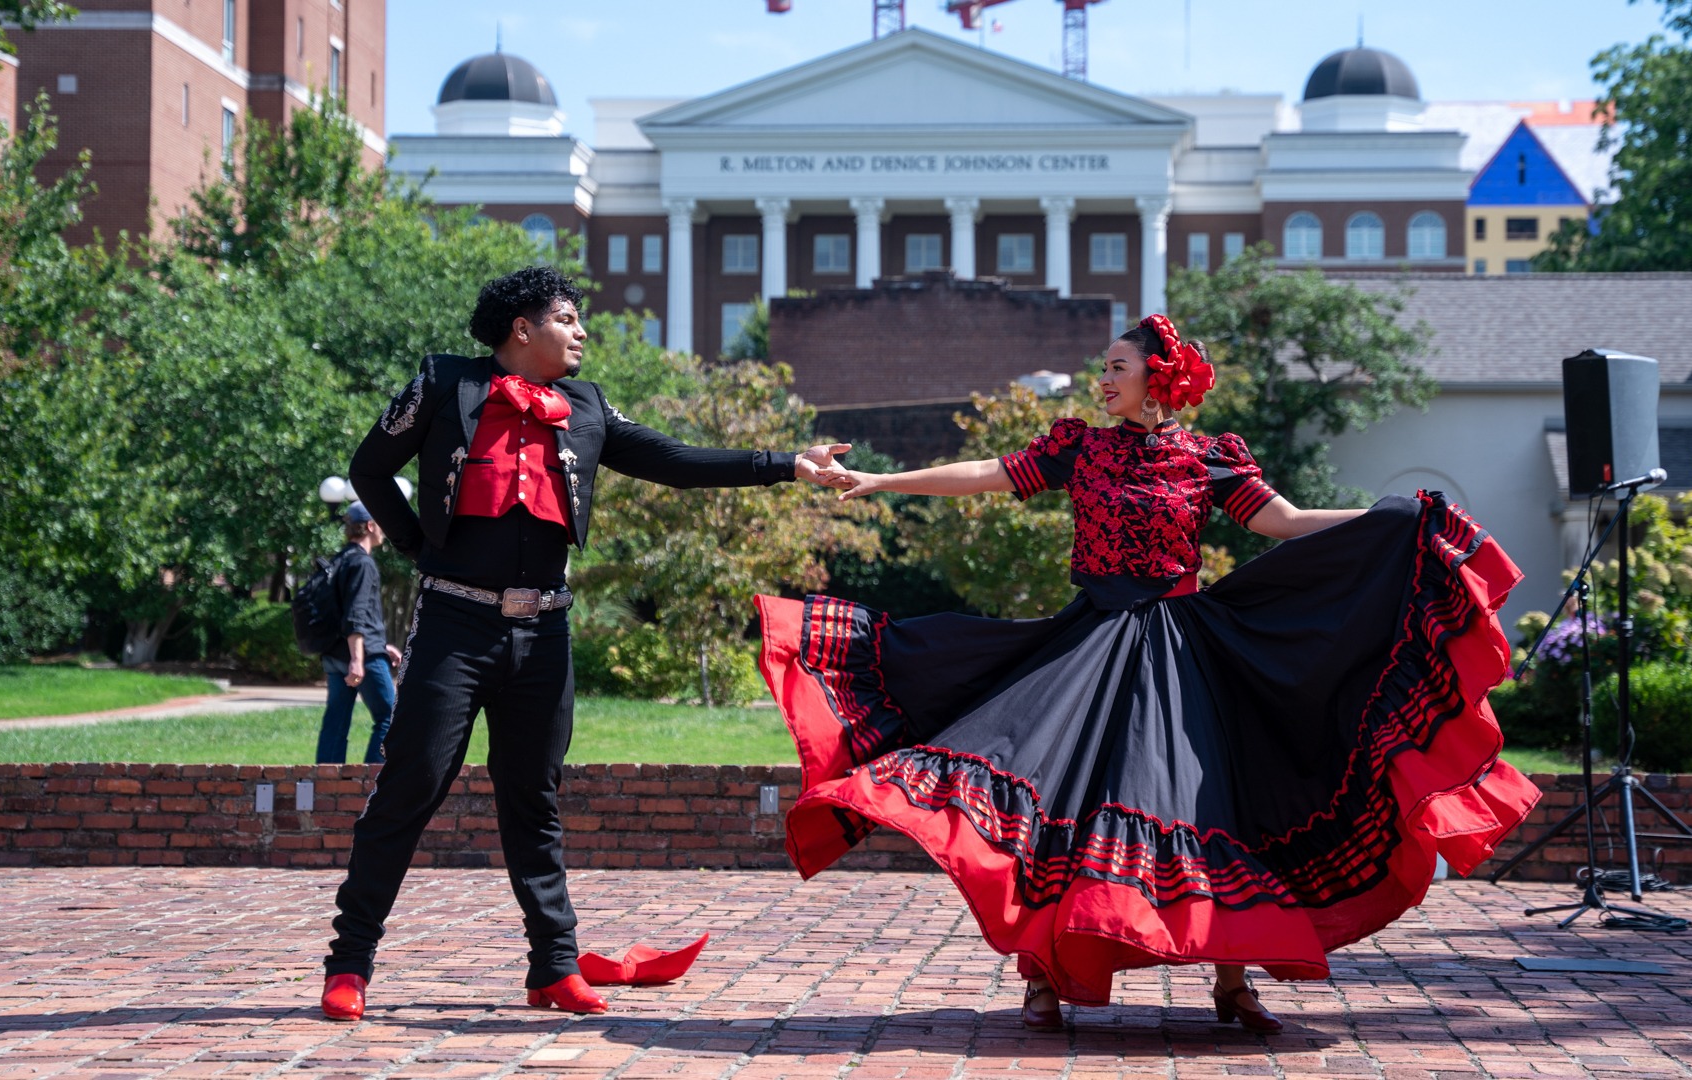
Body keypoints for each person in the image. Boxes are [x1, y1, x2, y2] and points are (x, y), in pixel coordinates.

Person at [759, 315, 1541, 1033]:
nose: (1102, 381)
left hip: (1181, 648)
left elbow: (1287, 523)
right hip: (1089, 643)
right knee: (1058, 795)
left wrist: (1396, 521)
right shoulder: (1080, 447)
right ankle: (1041, 977)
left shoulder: (1207, 456)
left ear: (1157, 377)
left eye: (1116, 367)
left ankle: (1232, 982)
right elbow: (989, 473)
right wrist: (884, 482)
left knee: (1215, 805)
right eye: (1102, 368)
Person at [320, 266, 849, 1022]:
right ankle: (350, 964)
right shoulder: (445, 383)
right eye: (567, 318)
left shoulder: (589, 406)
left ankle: (553, 968)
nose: (582, 332)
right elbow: (369, 468)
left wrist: (785, 465)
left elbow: (673, 460)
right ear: (522, 329)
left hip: (546, 632)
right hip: (455, 625)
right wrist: (415, 547)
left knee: (534, 798)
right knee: (409, 786)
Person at [316, 501, 400, 766]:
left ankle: (326, 784)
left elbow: (351, 613)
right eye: (381, 524)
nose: (384, 531)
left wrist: (381, 644)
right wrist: (358, 658)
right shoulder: (363, 563)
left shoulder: (340, 560)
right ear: (370, 526)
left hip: (336, 653)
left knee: (336, 721)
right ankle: (373, 782)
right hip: (361, 655)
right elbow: (355, 613)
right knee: (391, 715)